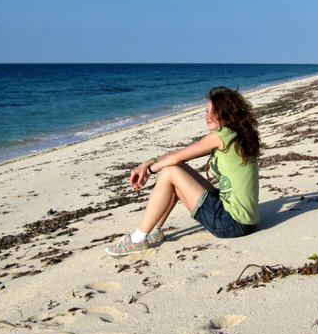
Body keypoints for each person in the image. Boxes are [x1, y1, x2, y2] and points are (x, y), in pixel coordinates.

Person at [105, 86, 260, 257]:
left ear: (226, 113)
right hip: (241, 218)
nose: (206, 116)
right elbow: (177, 157)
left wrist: (148, 170)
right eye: (206, 111)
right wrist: (149, 162)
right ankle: (155, 229)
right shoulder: (235, 135)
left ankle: (137, 239)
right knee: (177, 169)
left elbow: (174, 159)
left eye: (212, 112)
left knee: (170, 172)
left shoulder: (222, 136)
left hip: (231, 224)